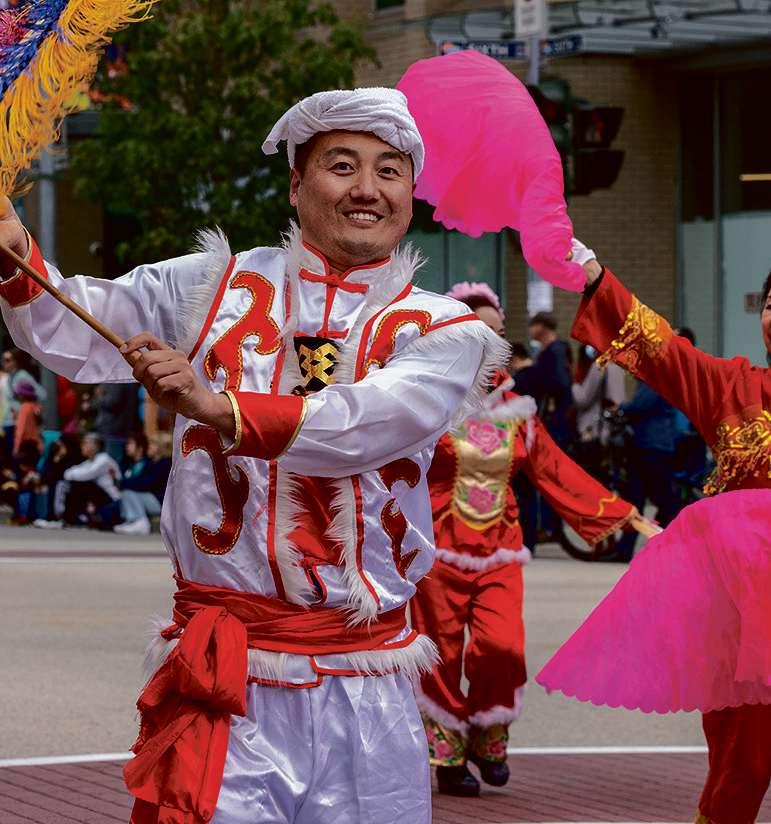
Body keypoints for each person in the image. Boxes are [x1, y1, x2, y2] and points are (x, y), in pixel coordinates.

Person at [0, 88, 507, 824]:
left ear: (409, 195)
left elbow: (362, 424)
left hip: (367, 688)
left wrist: (216, 406)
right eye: (342, 166)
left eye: (389, 171)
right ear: (296, 184)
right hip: (226, 679)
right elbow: (74, 326)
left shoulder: (445, 328)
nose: (367, 189)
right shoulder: (212, 284)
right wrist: (16, 253)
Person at [538, 242, 771, 824]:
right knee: (740, 753)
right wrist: (597, 278)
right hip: (746, 614)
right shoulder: (733, 386)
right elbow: (663, 351)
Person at [414, 282, 650, 798]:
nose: (492, 344)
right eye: (479, 333)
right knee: (440, 653)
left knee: (502, 647)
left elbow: (554, 469)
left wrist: (623, 515)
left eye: (498, 334)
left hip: (500, 546)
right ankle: (448, 754)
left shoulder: (517, 409)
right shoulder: (425, 402)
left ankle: (488, 736)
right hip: (438, 551)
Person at [58, 433, 121, 527]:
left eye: (85, 443)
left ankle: (80, 516)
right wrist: (73, 474)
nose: (82, 446)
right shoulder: (90, 461)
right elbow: (67, 473)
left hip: (113, 499)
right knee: (73, 483)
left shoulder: (104, 459)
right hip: (101, 497)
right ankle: (73, 516)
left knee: (81, 484)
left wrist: (74, 474)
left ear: (96, 446)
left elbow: (87, 474)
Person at [114, 431, 162, 535]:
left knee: (128, 492)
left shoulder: (156, 464)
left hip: (157, 502)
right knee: (126, 493)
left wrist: (123, 483)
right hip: (143, 498)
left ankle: (140, 521)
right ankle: (132, 521)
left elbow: (146, 484)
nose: (127, 447)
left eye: (130, 444)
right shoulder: (128, 464)